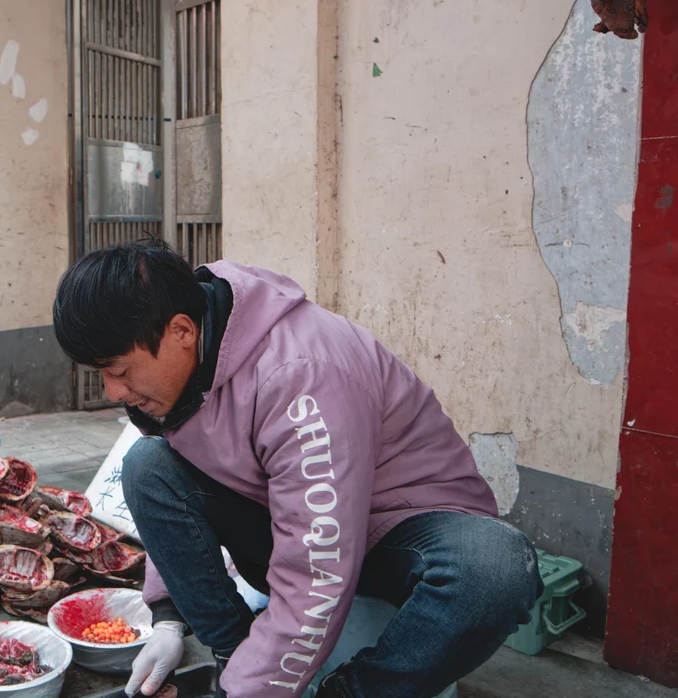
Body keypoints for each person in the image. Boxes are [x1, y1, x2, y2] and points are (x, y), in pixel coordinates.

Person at [51, 241, 540, 698]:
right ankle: (234, 650)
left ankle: (353, 690)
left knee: (493, 569)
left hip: (400, 531)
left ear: (181, 331)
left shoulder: (300, 376)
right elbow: (188, 473)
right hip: (296, 526)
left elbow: (318, 562)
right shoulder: (193, 350)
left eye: (118, 370)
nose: (113, 392)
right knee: (148, 465)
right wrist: (168, 617)